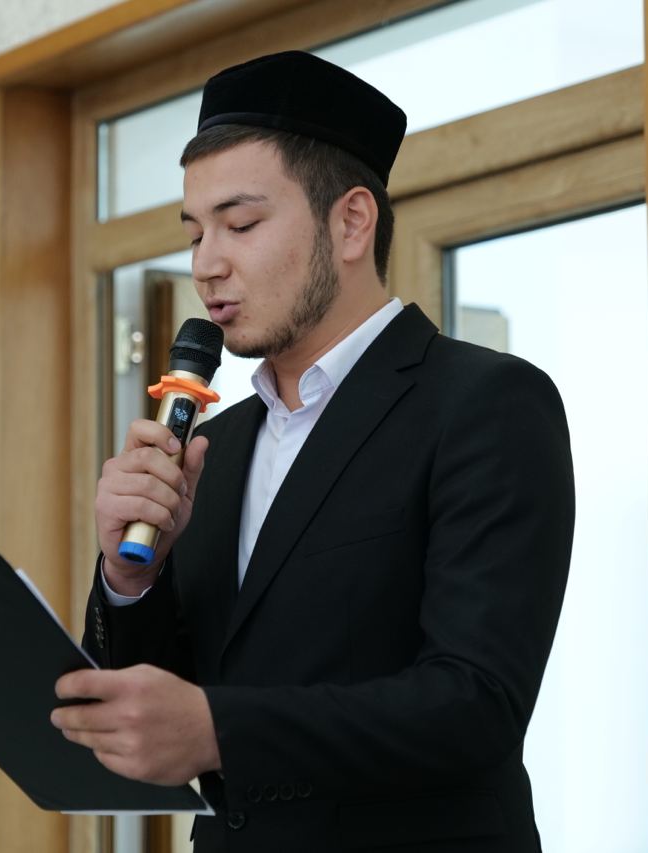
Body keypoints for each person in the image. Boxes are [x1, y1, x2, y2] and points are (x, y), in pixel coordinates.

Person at [50, 51, 575, 852]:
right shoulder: (215, 445)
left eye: (241, 224)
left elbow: (475, 704)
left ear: (352, 222)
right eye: (194, 232)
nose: (205, 264)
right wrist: (131, 578)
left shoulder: (485, 404)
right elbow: (154, 710)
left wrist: (219, 728)